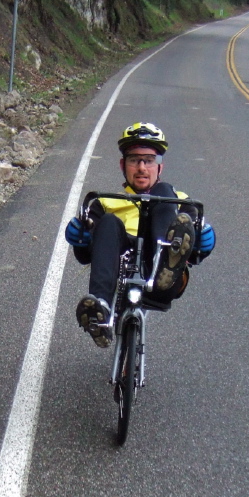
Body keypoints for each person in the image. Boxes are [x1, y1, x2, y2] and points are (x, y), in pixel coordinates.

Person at [65, 122, 215, 347]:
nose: (142, 167)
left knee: (164, 193)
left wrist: (204, 241)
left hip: (163, 277)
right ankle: (101, 308)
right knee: (107, 222)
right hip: (119, 268)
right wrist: (79, 237)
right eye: (135, 160)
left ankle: (163, 264)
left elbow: (195, 254)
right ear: (123, 165)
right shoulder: (105, 202)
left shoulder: (181, 203)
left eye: (149, 160)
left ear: (160, 167)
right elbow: (85, 255)